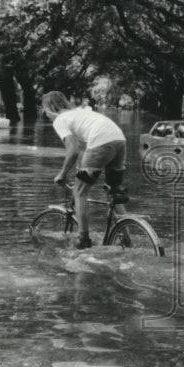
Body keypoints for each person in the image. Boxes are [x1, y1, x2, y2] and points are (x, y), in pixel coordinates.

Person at [42, 91, 128, 249]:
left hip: (101, 143)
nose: (45, 115)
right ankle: (127, 238)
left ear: (49, 108)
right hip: (120, 141)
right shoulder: (80, 113)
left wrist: (62, 174)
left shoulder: (60, 120)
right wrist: (78, 169)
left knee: (79, 192)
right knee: (113, 191)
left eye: (44, 111)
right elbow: (82, 150)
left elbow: (73, 151)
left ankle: (84, 240)